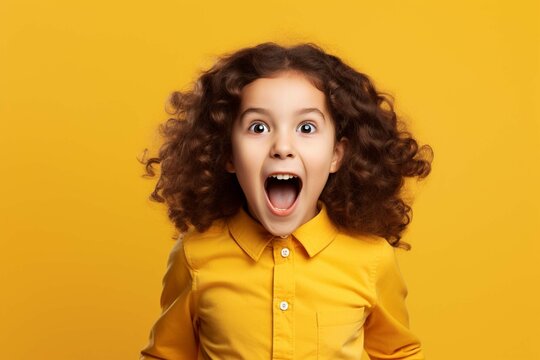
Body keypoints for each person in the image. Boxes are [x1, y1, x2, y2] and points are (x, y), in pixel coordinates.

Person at [139, 42, 433, 360]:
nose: (282, 147)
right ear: (227, 154)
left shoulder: (372, 259)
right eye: (259, 127)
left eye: (306, 127)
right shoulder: (195, 256)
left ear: (336, 154)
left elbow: (398, 353)